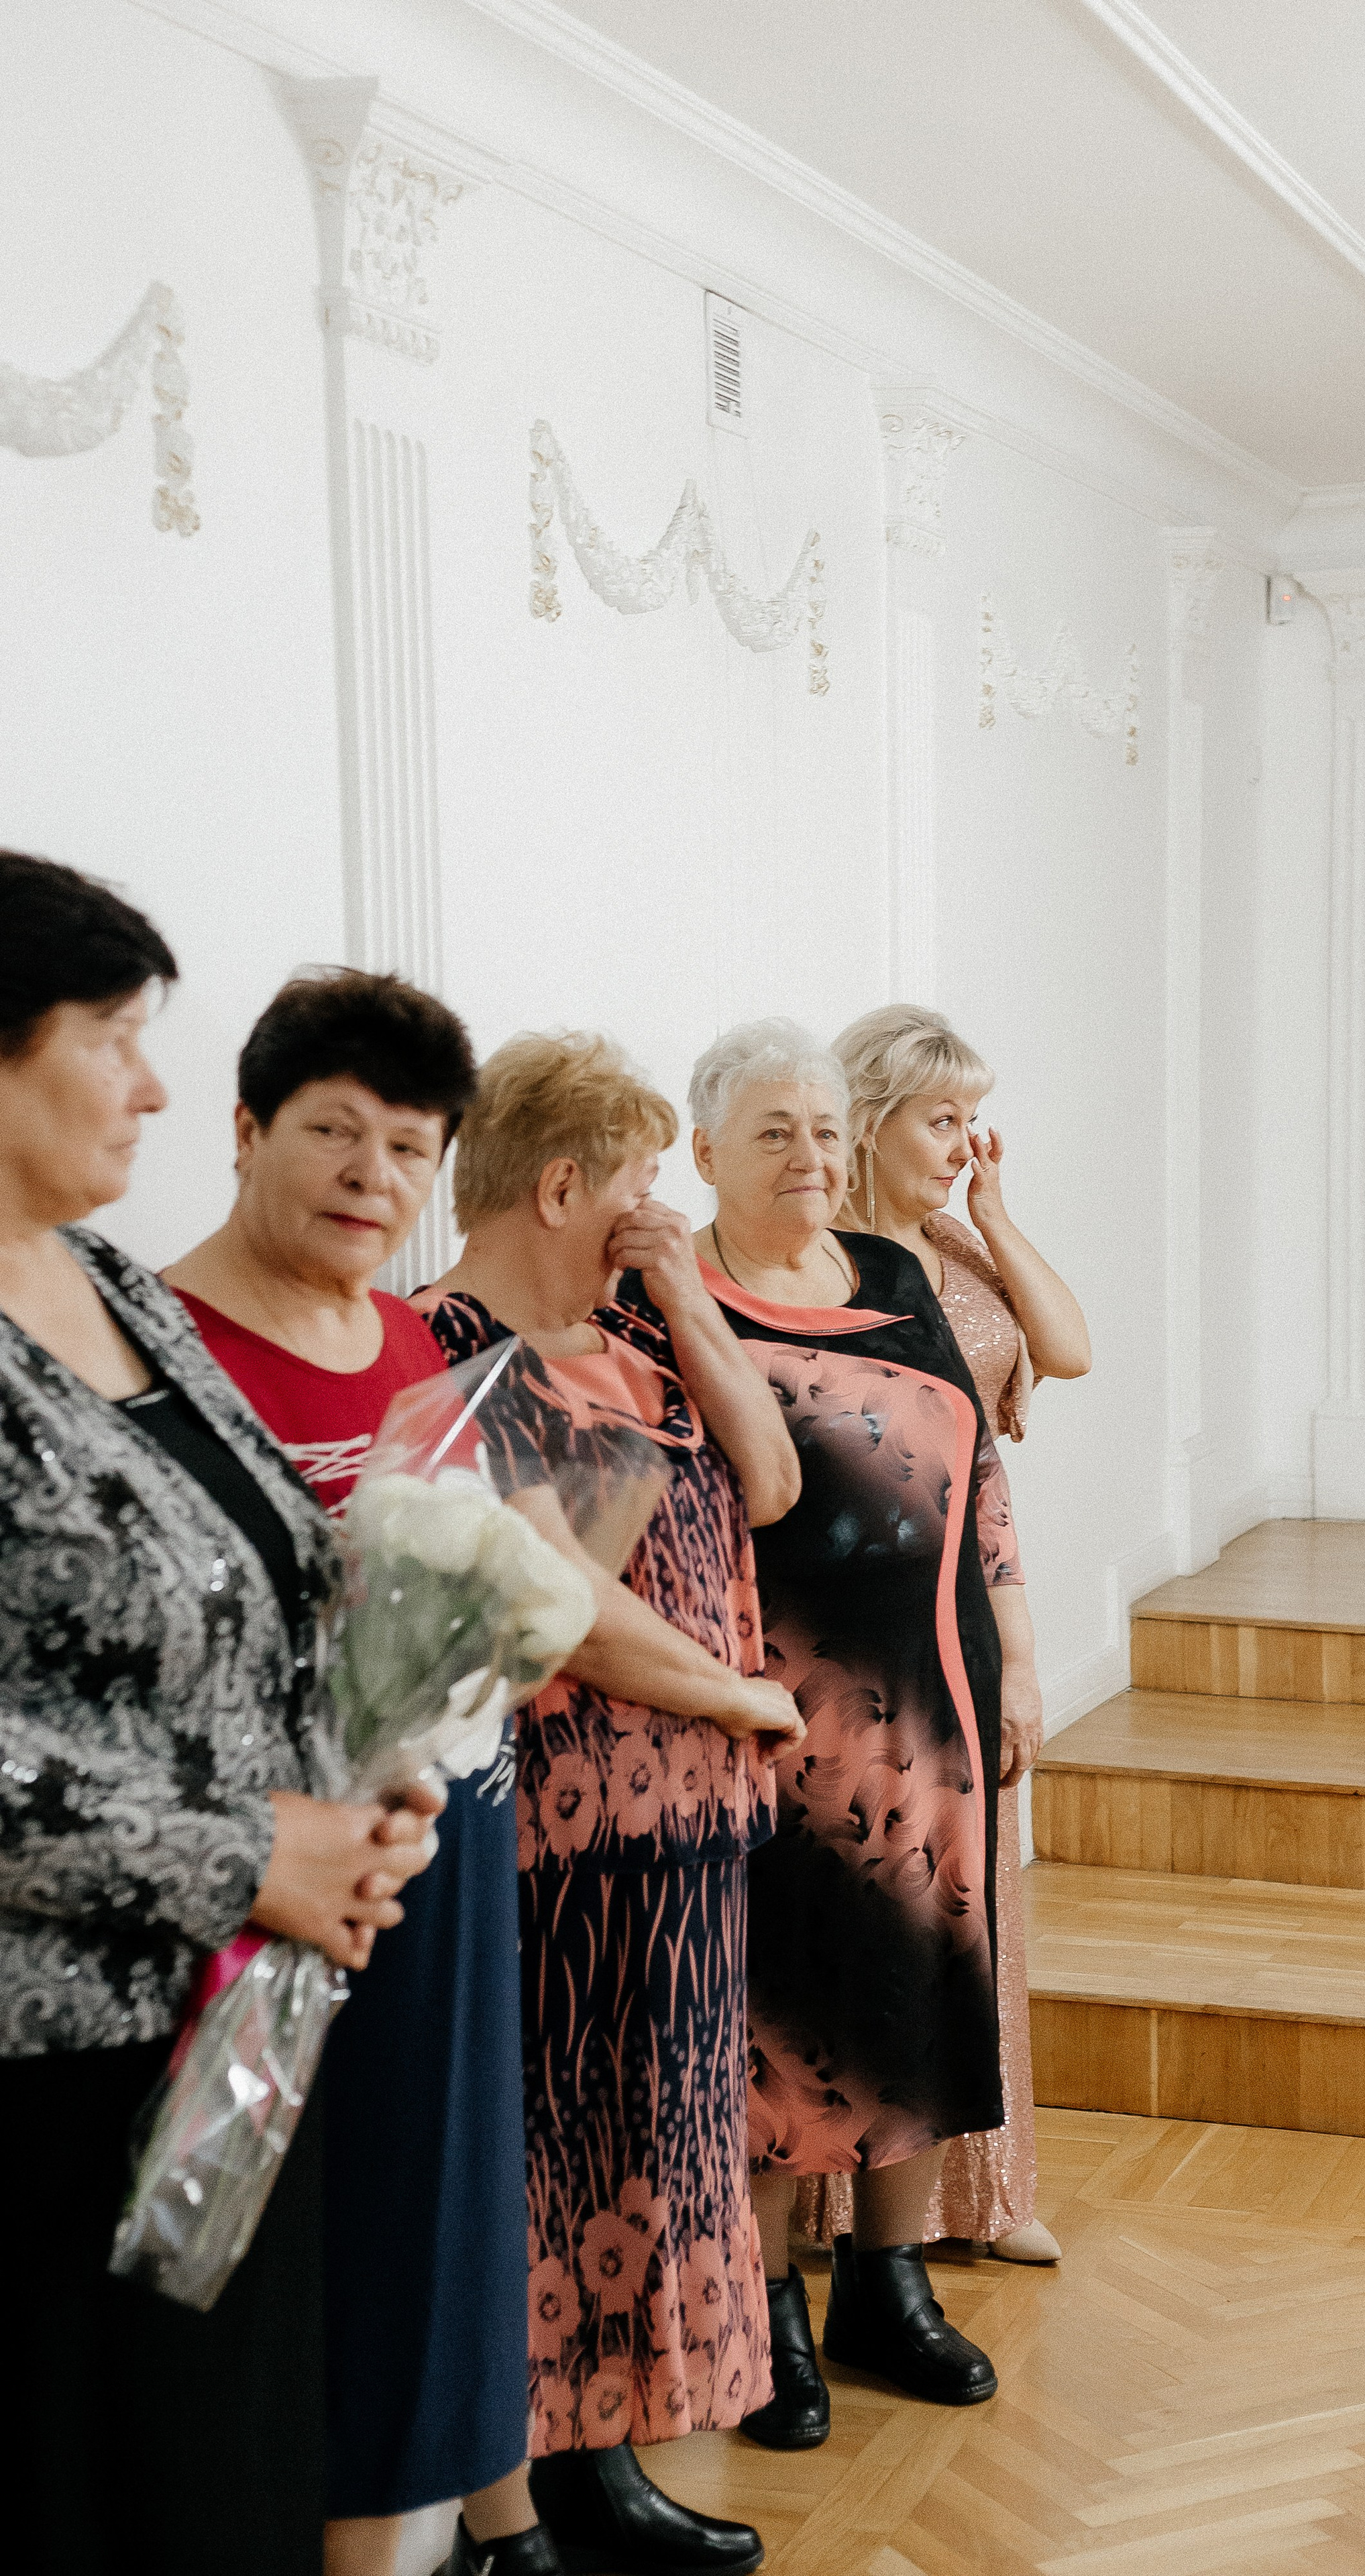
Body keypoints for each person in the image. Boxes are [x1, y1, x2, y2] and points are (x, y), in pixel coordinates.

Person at [0, 856, 436, 2576]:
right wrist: (244, 1847)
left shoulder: (104, 1283)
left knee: (227, 2480)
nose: (158, 1086)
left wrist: (370, 1769)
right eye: (115, 1036)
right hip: (40, 2077)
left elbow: (263, 1587)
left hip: (228, 2039)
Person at [162, 969, 567, 2576]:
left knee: (430, 2228)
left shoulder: (409, 1335)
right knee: (273, 2245)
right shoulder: (156, 1339)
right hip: (274, 1870)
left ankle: (415, 2542)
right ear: (247, 1127)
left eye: (408, 1151)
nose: (368, 1179)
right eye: (333, 1133)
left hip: (443, 1848)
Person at [415, 1031, 804, 2576]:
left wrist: (688, 1295)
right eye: (640, 1183)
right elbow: (547, 1595)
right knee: (544, 2159)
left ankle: (606, 2466)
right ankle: (508, 2510)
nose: (656, 1212)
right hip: (554, 1838)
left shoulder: (630, 1334)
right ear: (559, 1182)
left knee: (646, 2157)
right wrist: (733, 1694)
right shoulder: (438, 1343)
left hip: (683, 1837)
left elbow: (765, 1479)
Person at [671, 1018, 1007, 2457]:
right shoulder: (672, 1295)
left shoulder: (891, 1274)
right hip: (770, 1705)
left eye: (821, 1129)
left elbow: (976, 1470)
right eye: (770, 1133)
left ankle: (891, 2278)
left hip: (932, 1687)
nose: (808, 1156)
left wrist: (1020, 1654)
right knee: (777, 2006)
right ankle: (771, 2311)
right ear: (702, 1155)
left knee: (920, 1977)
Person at [829, 1002, 1091, 2268]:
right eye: (941, 1118)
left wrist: (988, 1214)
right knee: (876, 1894)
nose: (963, 1138)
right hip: (867, 1606)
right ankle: (852, 2201)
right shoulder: (820, 1258)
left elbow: (1069, 1348)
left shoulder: (953, 1242)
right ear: (871, 1121)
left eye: (970, 1116)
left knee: (982, 1889)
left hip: (982, 1587)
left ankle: (989, 2193)